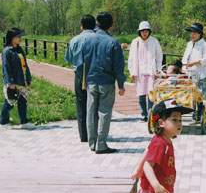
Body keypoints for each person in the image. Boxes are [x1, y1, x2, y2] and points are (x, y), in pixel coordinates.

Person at [131, 99, 193, 193]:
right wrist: (156, 186)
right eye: (174, 119)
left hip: (163, 190)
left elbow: (147, 151)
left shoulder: (164, 140)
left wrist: (138, 169)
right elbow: (148, 165)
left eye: (180, 120)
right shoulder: (160, 143)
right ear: (161, 123)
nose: (179, 123)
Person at [82, 12, 126, 154]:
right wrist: (121, 85)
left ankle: (92, 142)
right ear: (112, 25)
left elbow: (83, 62)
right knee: (104, 112)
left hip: (91, 81)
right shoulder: (113, 43)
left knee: (91, 112)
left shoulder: (87, 41)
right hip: (106, 82)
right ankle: (101, 144)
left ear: (97, 24)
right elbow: (118, 67)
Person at [65, 15, 96, 142]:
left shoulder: (74, 40)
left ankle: (84, 135)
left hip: (79, 73)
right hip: (95, 74)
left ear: (81, 26)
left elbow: (69, 59)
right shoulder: (97, 39)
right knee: (95, 104)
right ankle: (95, 134)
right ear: (94, 25)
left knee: (81, 103)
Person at [0, 28, 36, 129]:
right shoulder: (7, 51)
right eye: (18, 36)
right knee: (10, 101)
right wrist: (10, 82)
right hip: (12, 81)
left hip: (22, 79)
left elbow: (25, 64)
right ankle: (3, 122)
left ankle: (24, 121)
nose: (20, 38)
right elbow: (6, 68)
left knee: (23, 101)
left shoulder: (20, 50)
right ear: (12, 38)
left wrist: (28, 78)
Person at [128, 21, 163, 122]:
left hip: (151, 72)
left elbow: (159, 55)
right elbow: (131, 58)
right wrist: (132, 72)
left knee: (151, 95)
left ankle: (151, 114)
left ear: (149, 31)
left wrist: (158, 70)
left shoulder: (154, 41)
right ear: (139, 32)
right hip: (139, 73)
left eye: (146, 30)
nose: (145, 33)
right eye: (143, 31)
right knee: (141, 95)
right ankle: (144, 115)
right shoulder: (136, 42)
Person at [181, 22, 206, 121]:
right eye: (191, 33)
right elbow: (185, 57)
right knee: (191, 94)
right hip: (190, 73)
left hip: (200, 74)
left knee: (199, 95)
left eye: (195, 33)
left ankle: (200, 112)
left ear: (200, 34)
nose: (192, 35)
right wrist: (184, 66)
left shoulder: (205, 45)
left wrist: (195, 63)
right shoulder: (190, 44)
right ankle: (195, 112)